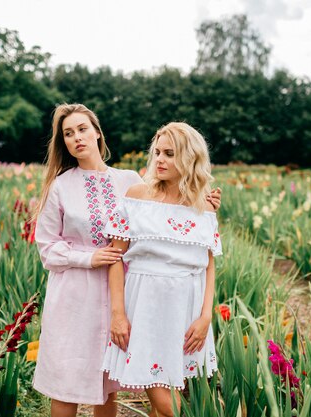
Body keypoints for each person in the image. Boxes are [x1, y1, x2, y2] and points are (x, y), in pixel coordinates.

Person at [33, 104, 221, 417]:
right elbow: (47, 247)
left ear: (97, 133)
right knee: (66, 380)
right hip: (75, 295)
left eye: (82, 129)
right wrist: (90, 257)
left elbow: (170, 202)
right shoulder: (60, 187)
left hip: (124, 293)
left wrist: (206, 201)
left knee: (107, 384)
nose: (76, 138)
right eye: (68, 133)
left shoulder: (129, 181)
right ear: (63, 142)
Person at [101, 122, 222, 417]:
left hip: (186, 309)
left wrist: (206, 316)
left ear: (189, 158)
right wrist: (118, 313)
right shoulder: (137, 195)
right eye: (157, 152)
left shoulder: (203, 206)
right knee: (168, 404)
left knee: (167, 393)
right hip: (145, 305)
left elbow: (208, 265)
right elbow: (116, 257)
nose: (160, 160)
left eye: (169, 153)